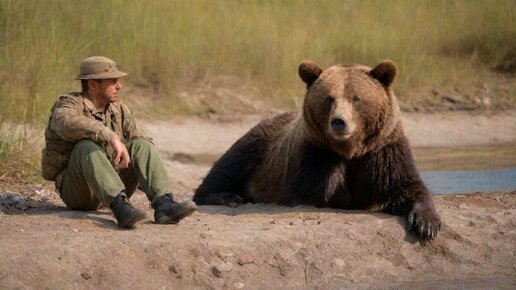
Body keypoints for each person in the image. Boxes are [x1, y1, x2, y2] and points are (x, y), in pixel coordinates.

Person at [41, 56, 197, 228]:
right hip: (80, 192)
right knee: (85, 147)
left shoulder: (120, 109)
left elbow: (138, 151)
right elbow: (65, 123)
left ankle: (164, 205)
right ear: (93, 85)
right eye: (113, 81)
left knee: (141, 144)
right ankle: (120, 208)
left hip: (113, 183)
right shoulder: (69, 104)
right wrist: (110, 136)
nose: (119, 86)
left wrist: (146, 181)